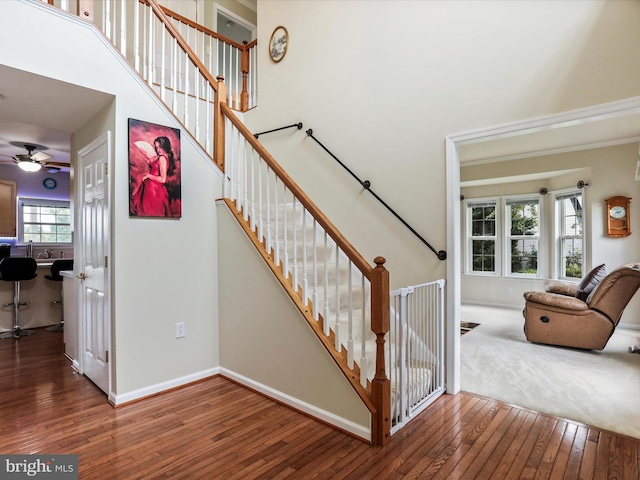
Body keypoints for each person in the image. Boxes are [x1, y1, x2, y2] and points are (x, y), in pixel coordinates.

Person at [131, 136, 177, 217]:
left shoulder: (162, 158)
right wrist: (145, 155)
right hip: (151, 187)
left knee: (149, 211)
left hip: (155, 189)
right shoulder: (160, 156)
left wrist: (149, 175)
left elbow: (163, 179)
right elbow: (151, 161)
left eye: (160, 147)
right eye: (156, 147)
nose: (158, 149)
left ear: (165, 146)